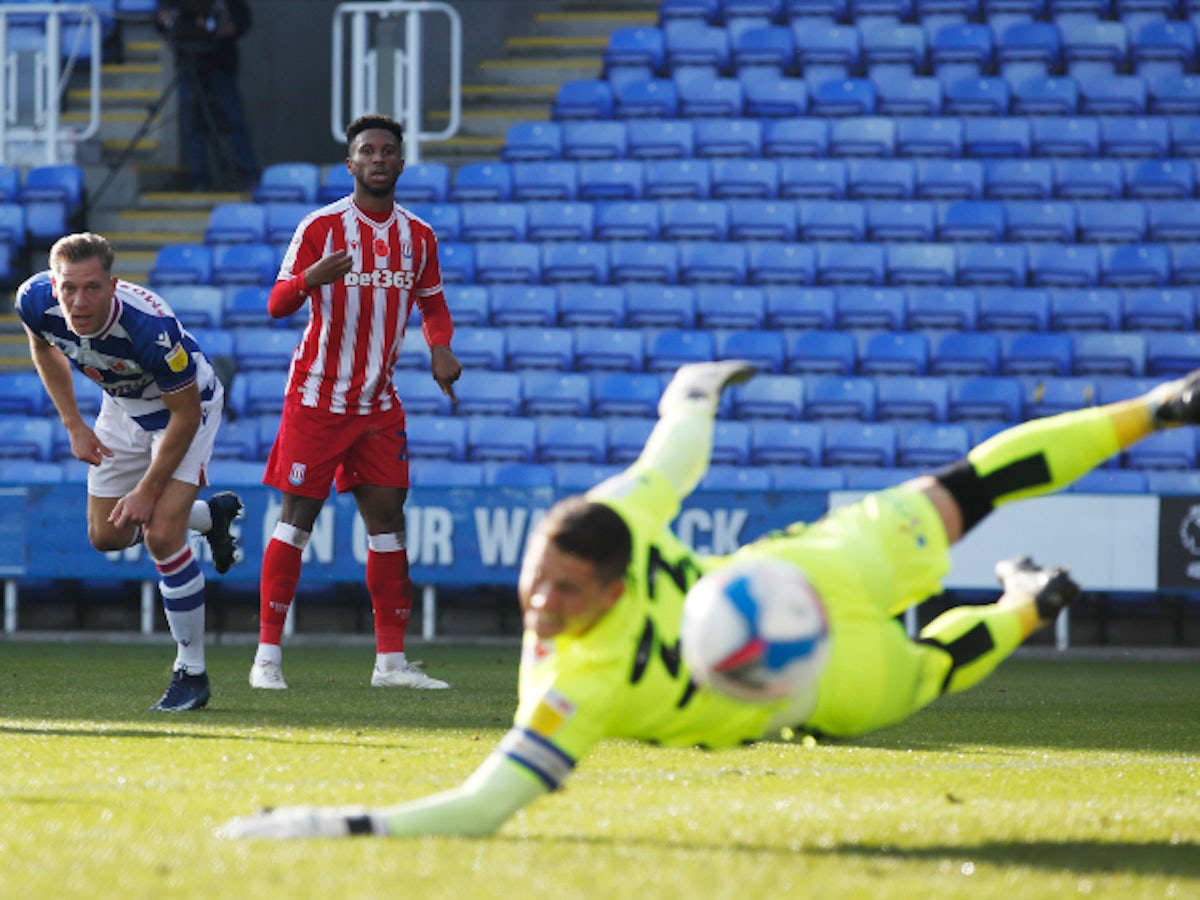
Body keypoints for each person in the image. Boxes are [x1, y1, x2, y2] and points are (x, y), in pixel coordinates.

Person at [219, 357, 1200, 839]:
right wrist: (327, 824)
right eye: (535, 583)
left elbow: (673, 458)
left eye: (562, 591)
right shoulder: (577, 676)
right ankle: (1027, 600)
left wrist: (693, 394)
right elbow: (480, 810)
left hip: (812, 570)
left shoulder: (607, 565)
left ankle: (1156, 406)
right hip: (807, 687)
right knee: (933, 667)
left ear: (613, 580)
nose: (540, 605)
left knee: (970, 488)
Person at [247, 113, 463, 692]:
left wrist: (440, 348)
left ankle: (390, 665)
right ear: (351, 164)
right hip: (317, 398)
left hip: (378, 405)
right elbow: (276, 305)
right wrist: (309, 278)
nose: (377, 158)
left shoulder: (418, 237)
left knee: (388, 522)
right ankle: (267, 657)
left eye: (388, 150)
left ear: (399, 162)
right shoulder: (320, 228)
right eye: (367, 150)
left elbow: (434, 305)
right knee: (296, 522)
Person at [16, 233, 243, 712]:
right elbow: (43, 348)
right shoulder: (34, 300)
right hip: (122, 407)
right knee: (106, 536)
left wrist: (147, 491)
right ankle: (207, 517)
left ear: (112, 284)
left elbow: (182, 416)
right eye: (69, 288)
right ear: (54, 284)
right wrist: (74, 424)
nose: (80, 301)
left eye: (93, 288)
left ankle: (191, 673)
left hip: (185, 411)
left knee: (160, 533)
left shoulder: (149, 326)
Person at [155, 0, 259, 190]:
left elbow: (243, 18)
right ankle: (199, 179)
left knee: (234, 120)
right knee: (191, 124)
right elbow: (161, 20)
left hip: (221, 63)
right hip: (188, 64)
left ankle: (249, 175)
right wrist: (164, 21)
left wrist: (231, 28)